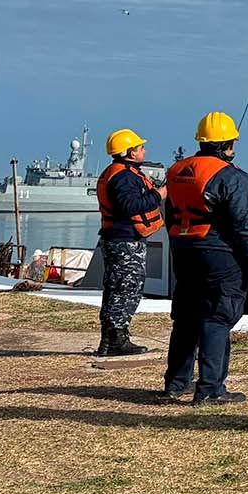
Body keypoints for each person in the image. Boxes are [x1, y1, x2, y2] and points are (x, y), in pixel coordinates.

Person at [161, 112, 248, 405]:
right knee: (217, 318)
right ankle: (210, 389)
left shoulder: (177, 171)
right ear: (228, 145)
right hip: (220, 255)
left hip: (184, 251)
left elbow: (168, 215)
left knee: (186, 319)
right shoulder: (233, 177)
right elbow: (247, 227)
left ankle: (175, 383)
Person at [94, 127, 165, 357]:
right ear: (130, 152)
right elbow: (130, 206)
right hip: (125, 241)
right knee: (127, 288)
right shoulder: (124, 177)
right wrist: (159, 195)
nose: (144, 150)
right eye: (140, 147)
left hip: (117, 238)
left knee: (116, 288)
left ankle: (110, 339)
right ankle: (116, 339)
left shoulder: (115, 172)